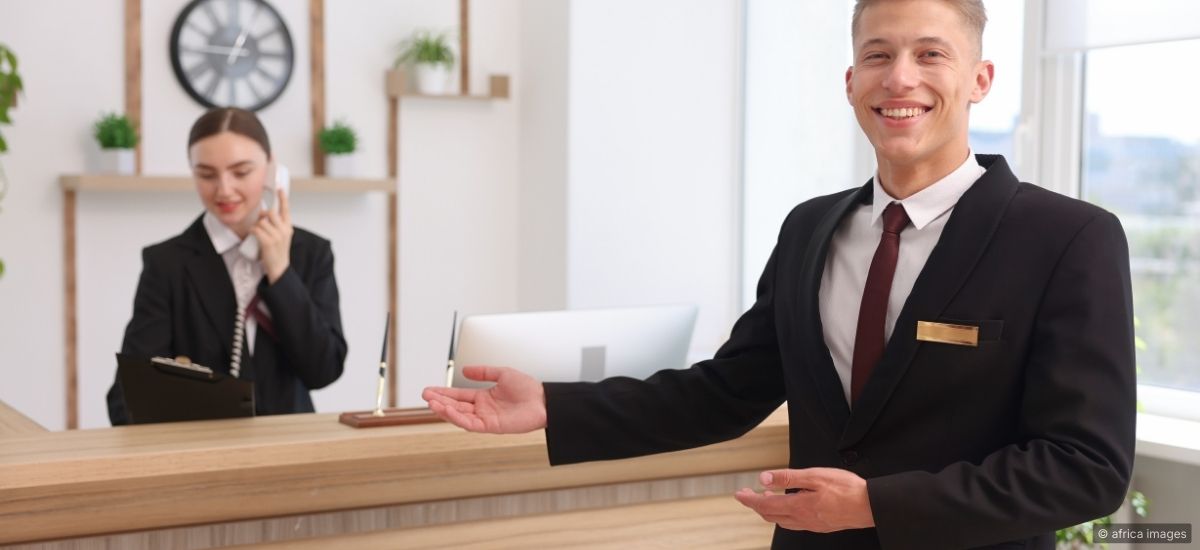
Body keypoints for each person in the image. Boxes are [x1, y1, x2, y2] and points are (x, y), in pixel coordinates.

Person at [421, 0, 1136, 548]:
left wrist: (874, 506)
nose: (900, 77)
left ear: (980, 79)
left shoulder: (1069, 238)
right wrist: (556, 405)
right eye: (878, 54)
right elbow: (724, 393)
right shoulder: (809, 229)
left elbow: (1087, 467)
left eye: (930, 54)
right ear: (851, 82)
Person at [107, 108, 347, 425]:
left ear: (272, 170)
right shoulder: (166, 264)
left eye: (241, 172)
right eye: (206, 175)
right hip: (203, 446)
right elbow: (127, 396)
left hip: (290, 444)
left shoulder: (311, 253)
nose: (224, 189)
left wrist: (280, 273)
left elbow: (324, 370)